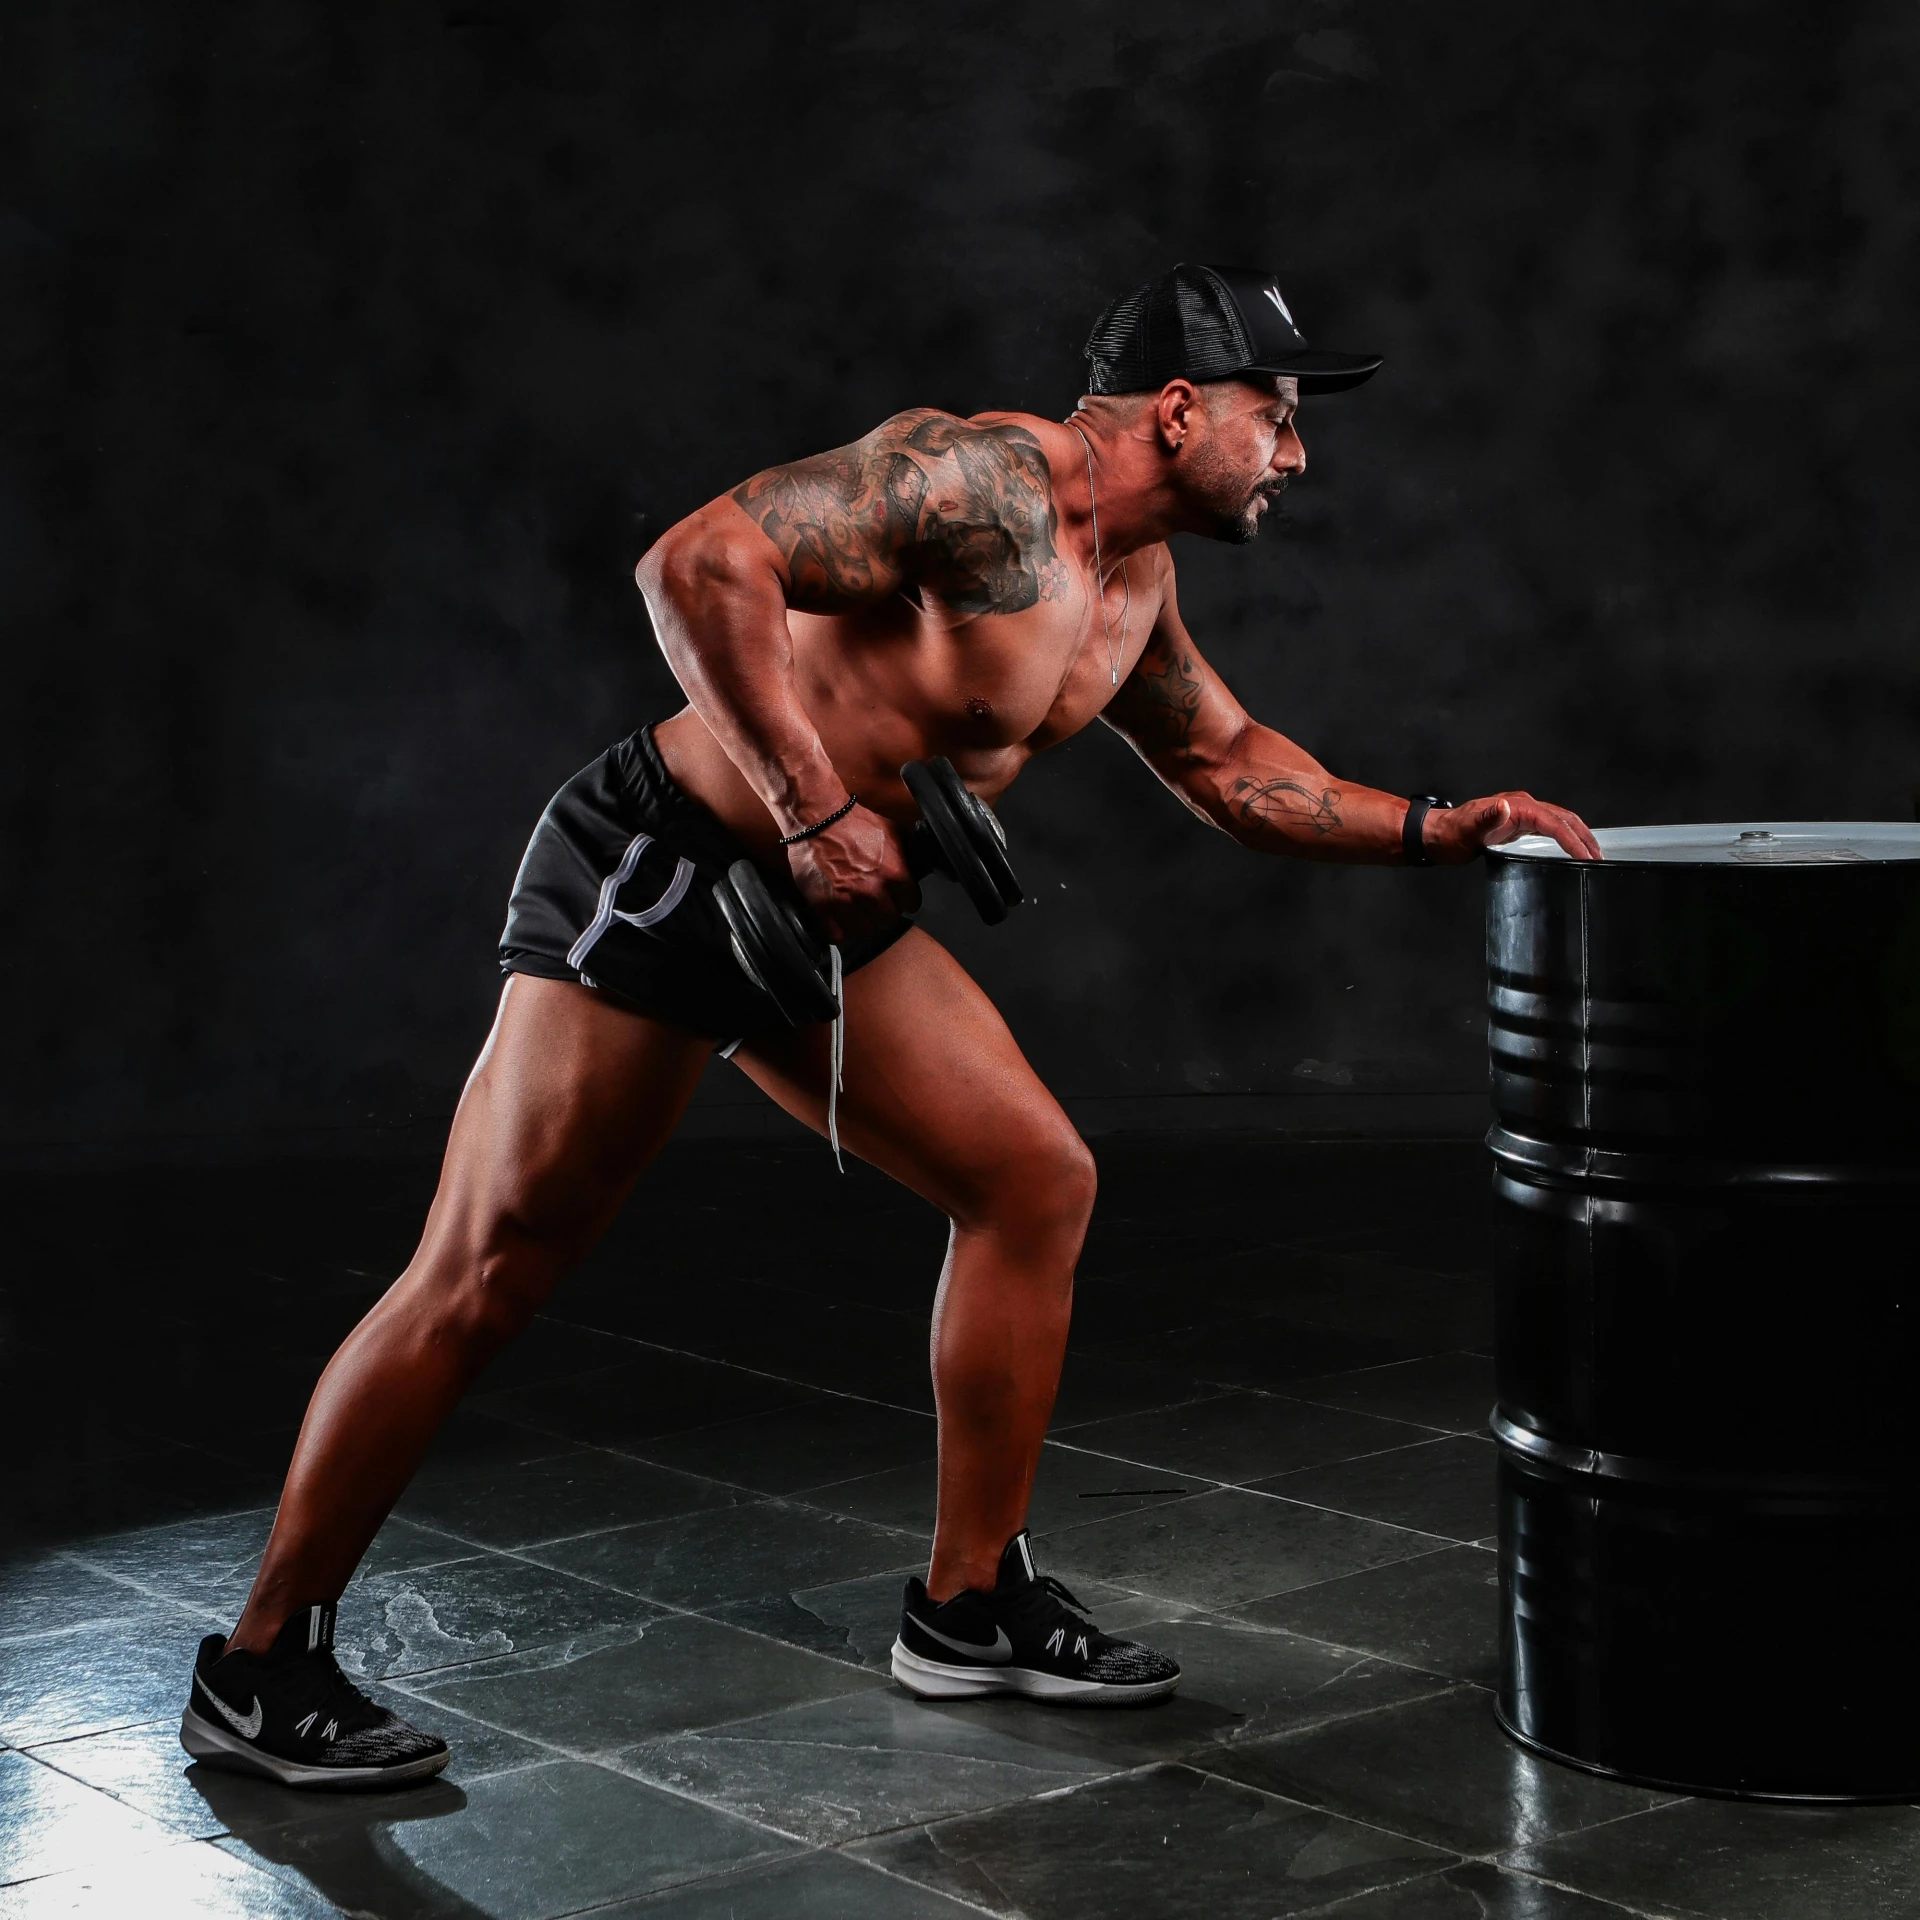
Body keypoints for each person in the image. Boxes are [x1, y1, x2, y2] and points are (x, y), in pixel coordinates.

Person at [180, 262, 1599, 1788]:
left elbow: (1231, 762)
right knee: (486, 1270)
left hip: (822, 912)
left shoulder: (1130, 585)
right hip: (670, 864)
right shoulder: (983, 480)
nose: (1298, 453)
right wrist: (804, 811)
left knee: (1032, 1182)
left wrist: (1438, 828)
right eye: (1280, 413)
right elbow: (694, 563)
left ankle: (967, 1600)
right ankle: (259, 1665)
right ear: (1182, 408)